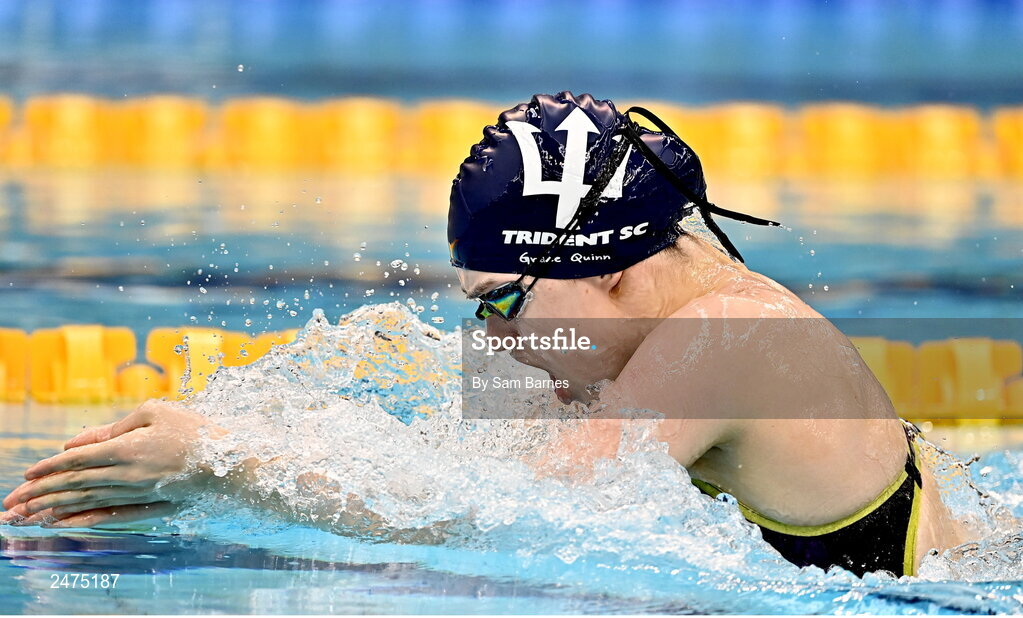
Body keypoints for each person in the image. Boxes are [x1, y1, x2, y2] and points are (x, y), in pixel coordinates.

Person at [0, 92, 971, 577]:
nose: (491, 339)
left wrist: (227, 463)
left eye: (502, 302)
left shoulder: (730, 343)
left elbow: (507, 521)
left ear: (611, 264)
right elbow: (457, 470)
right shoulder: (613, 321)